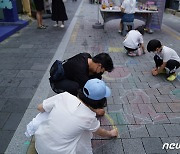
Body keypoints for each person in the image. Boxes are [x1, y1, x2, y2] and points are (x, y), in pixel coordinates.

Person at [32, 79, 118, 154]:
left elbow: (39, 107)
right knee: (86, 133)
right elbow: (100, 132)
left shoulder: (65, 96)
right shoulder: (89, 118)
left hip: (40, 144)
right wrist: (111, 133)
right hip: (57, 152)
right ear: (100, 101)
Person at [49, 52, 114, 116]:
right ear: (99, 65)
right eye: (103, 70)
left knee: (97, 76)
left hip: (72, 77)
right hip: (59, 82)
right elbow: (84, 95)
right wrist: (95, 110)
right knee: (76, 88)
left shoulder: (87, 56)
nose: (102, 72)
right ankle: (69, 103)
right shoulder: (80, 69)